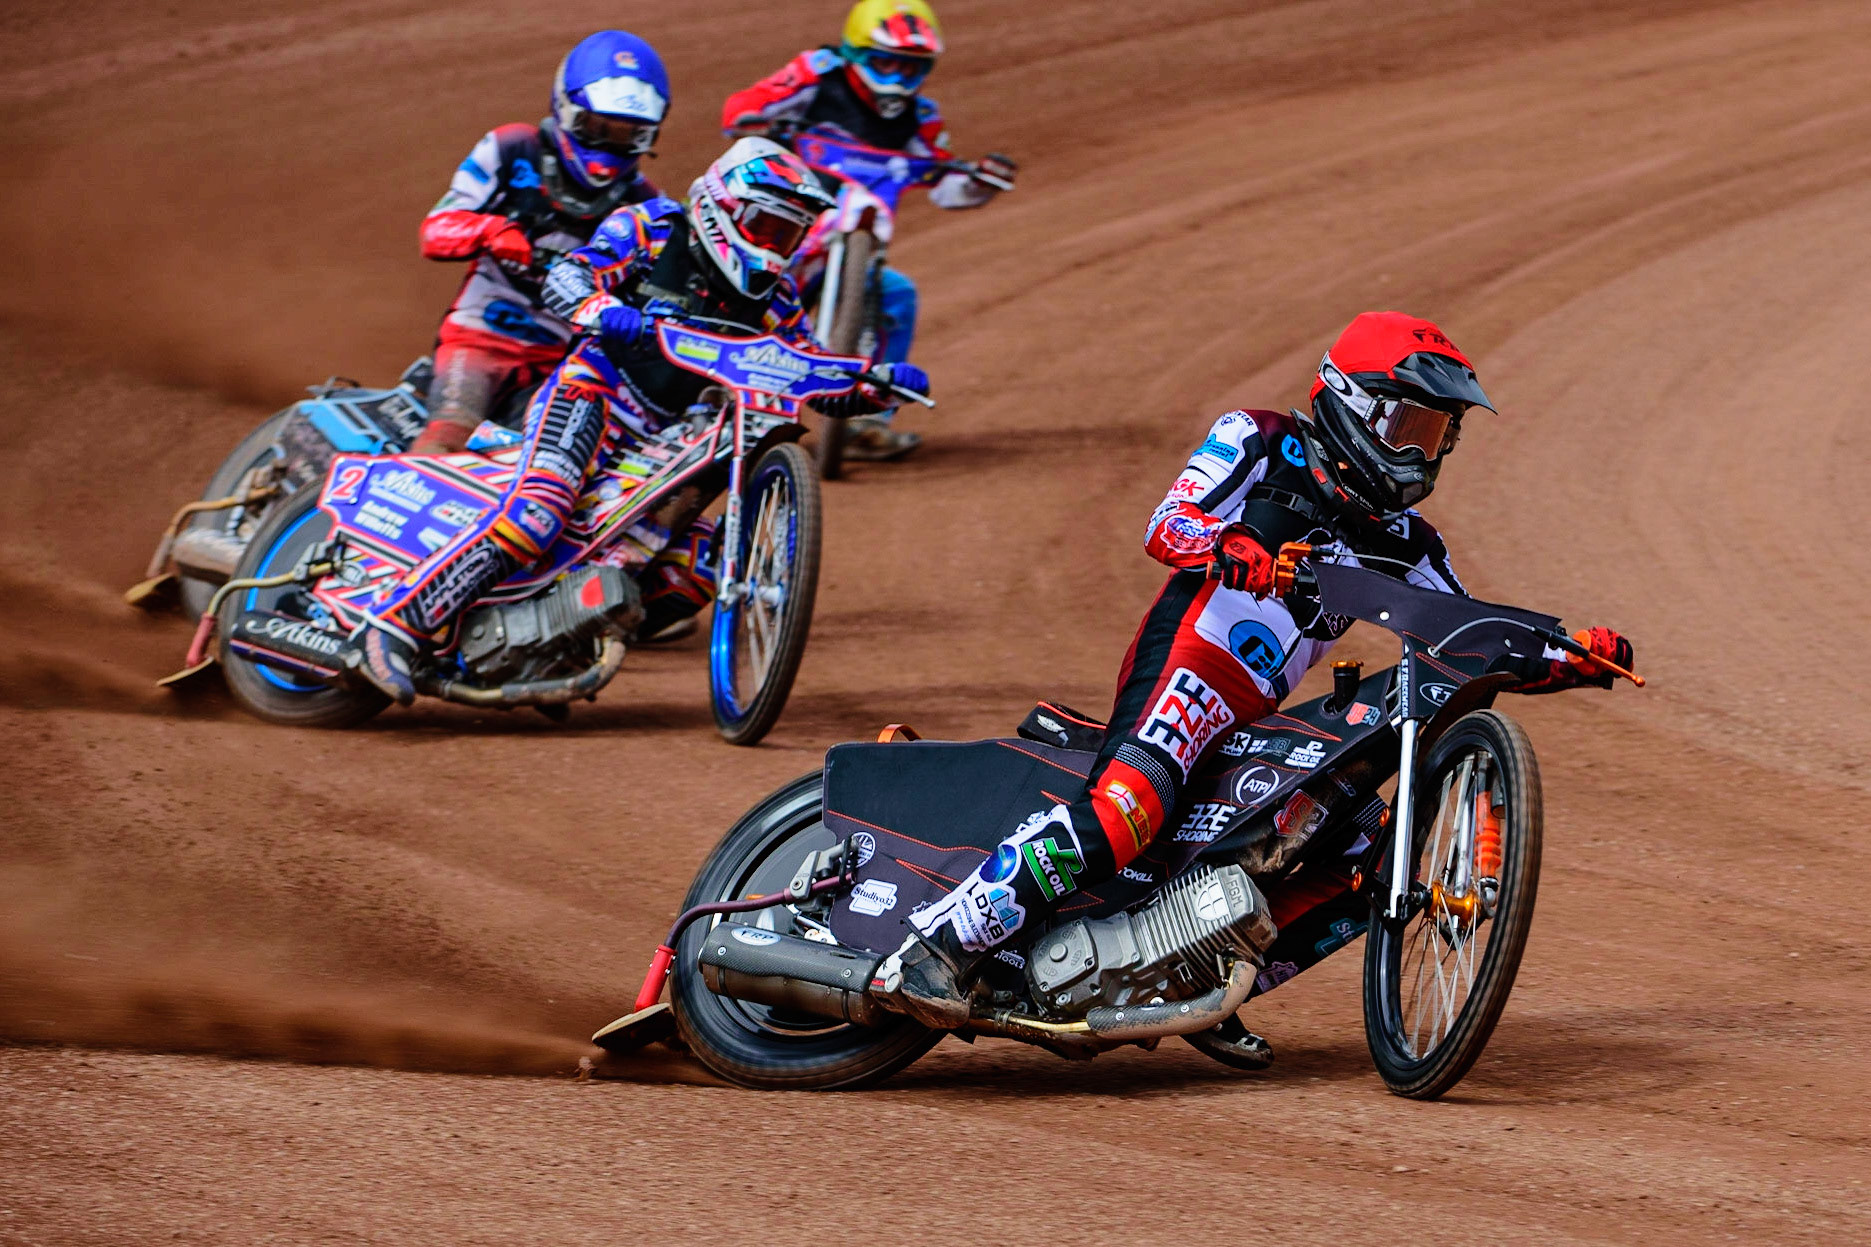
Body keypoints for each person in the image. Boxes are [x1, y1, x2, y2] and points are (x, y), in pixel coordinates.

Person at [886, 311, 1636, 1045]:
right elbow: (1165, 524)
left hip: (1263, 713)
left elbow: (1464, 633)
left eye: (1439, 433)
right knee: (1126, 814)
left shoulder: (1408, 541)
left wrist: (1566, 652)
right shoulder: (1259, 438)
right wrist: (1229, 545)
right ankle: (938, 947)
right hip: (1192, 663)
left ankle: (1199, 972)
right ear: (1355, 403)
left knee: (1365, 852)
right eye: (1412, 426)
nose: (1425, 451)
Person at [340, 138, 928, 701]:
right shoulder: (652, 227)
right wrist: (604, 309)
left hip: (671, 440)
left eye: (789, 234)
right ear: (722, 209)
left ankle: (555, 640)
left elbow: (808, 368)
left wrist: (870, 384)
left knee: (697, 565)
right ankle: (393, 625)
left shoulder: (777, 301)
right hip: (593, 394)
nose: (775, 247)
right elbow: (570, 274)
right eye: (766, 226)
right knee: (541, 510)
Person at [721, 0, 1016, 461]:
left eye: (910, 66)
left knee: (898, 295)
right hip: (771, 223)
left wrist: (980, 183)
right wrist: (764, 120)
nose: (897, 77)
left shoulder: (920, 117)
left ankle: (866, 423)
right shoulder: (817, 75)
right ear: (855, 53)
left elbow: (945, 187)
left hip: (854, 241)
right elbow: (739, 111)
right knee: (714, 270)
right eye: (885, 62)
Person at [407, 31, 672, 455]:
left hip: (561, 365)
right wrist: (492, 232)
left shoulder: (647, 205)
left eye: (628, 136)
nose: (608, 148)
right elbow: (437, 229)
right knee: (449, 437)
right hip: (479, 337)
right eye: (598, 127)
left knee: (538, 463)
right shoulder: (512, 148)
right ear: (566, 110)